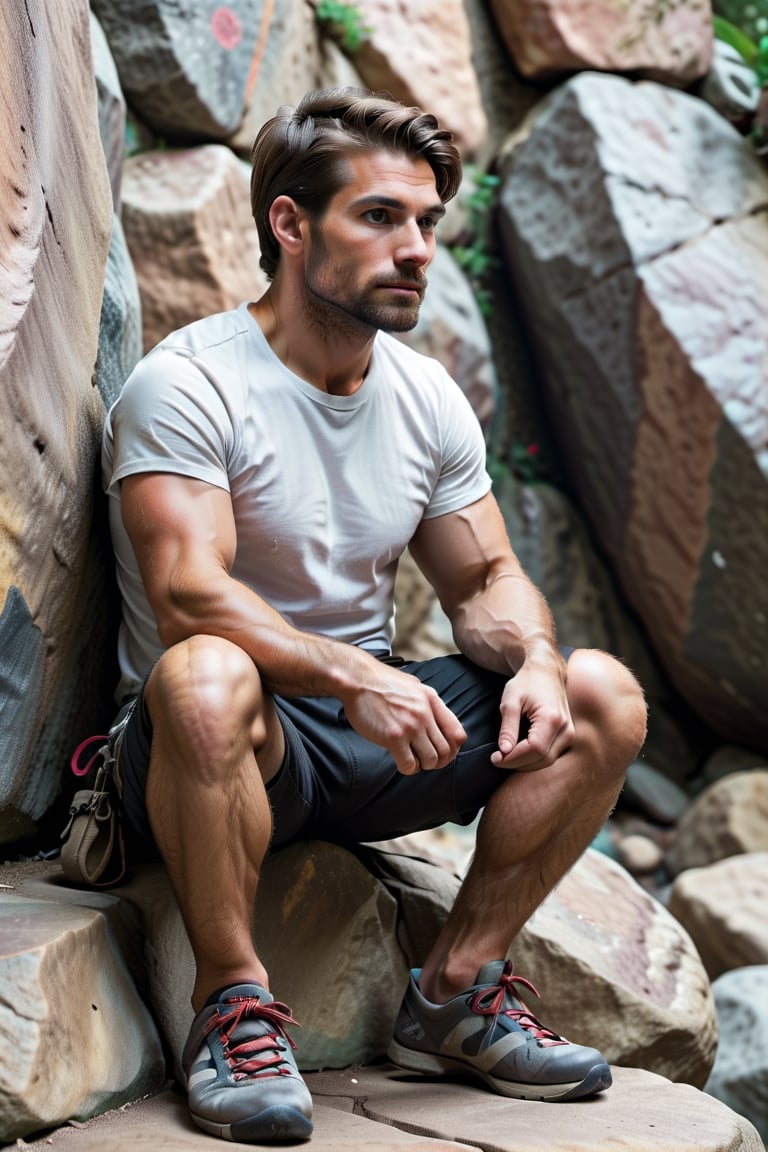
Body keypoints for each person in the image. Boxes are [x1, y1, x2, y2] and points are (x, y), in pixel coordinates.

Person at [102, 86, 647, 1144]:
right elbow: (187, 596)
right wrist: (361, 677)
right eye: (380, 217)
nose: (416, 249)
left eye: (428, 223)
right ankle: (232, 1006)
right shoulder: (191, 382)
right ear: (290, 225)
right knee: (204, 674)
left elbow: (486, 577)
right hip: (222, 739)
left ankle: (451, 993)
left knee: (598, 693)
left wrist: (532, 655)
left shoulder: (424, 394)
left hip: (367, 731)